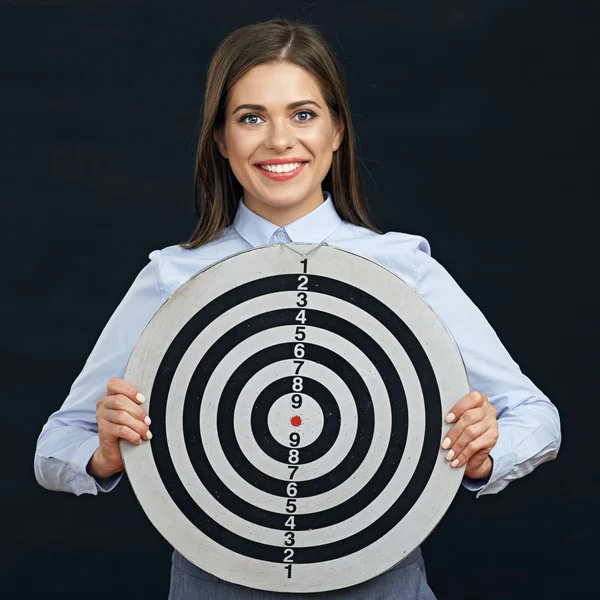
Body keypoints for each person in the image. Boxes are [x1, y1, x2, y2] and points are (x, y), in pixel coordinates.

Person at [34, 18, 561, 600]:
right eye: (251, 117)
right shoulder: (172, 278)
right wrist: (103, 456)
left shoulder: (402, 268)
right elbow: (58, 442)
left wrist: (485, 455)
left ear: (338, 131)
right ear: (219, 139)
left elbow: (535, 416)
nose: (279, 140)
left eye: (303, 114)